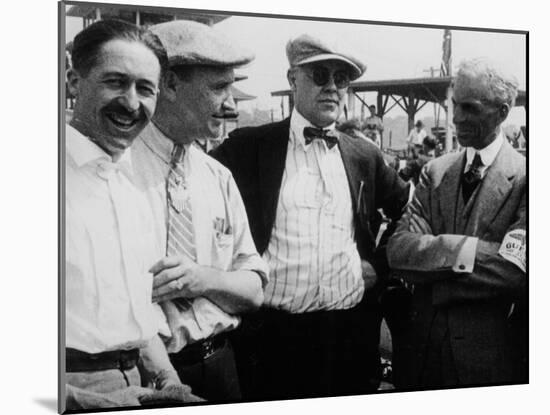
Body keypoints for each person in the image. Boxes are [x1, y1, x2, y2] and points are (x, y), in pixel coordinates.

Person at [211, 33, 409, 400]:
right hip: (274, 339)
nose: (332, 87)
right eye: (320, 75)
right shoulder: (248, 148)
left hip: (349, 334)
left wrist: (379, 266)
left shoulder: (363, 156)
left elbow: (410, 210)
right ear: (292, 80)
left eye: (342, 79)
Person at [64, 19, 202, 410]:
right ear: (74, 82)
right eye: (115, 82)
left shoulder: (135, 186)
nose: (131, 102)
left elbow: (136, 319)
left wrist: (169, 381)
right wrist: (73, 397)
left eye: (145, 89)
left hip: (140, 383)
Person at [130, 20, 268, 402]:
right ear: (170, 85)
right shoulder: (119, 170)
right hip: (148, 379)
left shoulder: (217, 176)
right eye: (219, 88)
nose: (230, 103)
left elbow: (255, 289)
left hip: (222, 366)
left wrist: (201, 280)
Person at [387, 58, 526, 390]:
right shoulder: (435, 172)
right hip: (419, 356)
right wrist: (469, 255)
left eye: (470, 107)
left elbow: (515, 271)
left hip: (489, 363)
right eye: (454, 104)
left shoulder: (528, 178)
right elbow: (398, 250)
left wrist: (433, 272)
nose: (456, 117)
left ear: (503, 112)